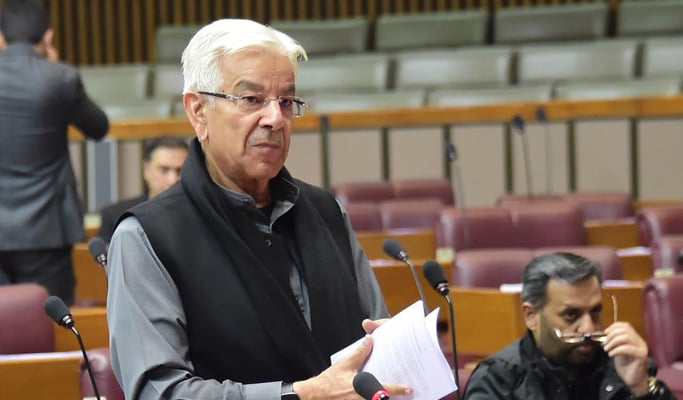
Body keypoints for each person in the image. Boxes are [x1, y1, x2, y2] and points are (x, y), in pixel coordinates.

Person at [106, 19, 412, 400]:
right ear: (198, 111)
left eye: (286, 101)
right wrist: (299, 395)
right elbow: (161, 392)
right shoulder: (147, 237)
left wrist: (392, 352)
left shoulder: (327, 212)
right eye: (251, 100)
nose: (274, 118)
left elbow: (371, 340)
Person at [0, 0, 109, 303]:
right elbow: (98, 127)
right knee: (48, 323)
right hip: (44, 227)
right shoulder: (59, 78)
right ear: (48, 36)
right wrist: (53, 66)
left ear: (0, 36)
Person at [463, 252, 675, 400]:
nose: (588, 328)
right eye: (571, 315)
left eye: (595, 312)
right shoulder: (498, 379)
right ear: (531, 316)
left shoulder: (623, 364)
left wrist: (642, 388)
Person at [97, 136, 188, 242]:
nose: (172, 180)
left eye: (180, 170)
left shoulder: (200, 213)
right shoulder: (117, 216)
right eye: (164, 169)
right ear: (147, 170)